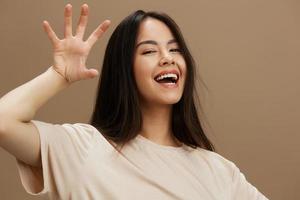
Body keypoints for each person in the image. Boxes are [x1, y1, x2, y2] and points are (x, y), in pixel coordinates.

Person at [0, 3, 269, 200]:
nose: (168, 58)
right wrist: (58, 75)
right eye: (150, 51)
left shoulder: (218, 171)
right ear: (124, 70)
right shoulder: (82, 149)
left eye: (175, 49)